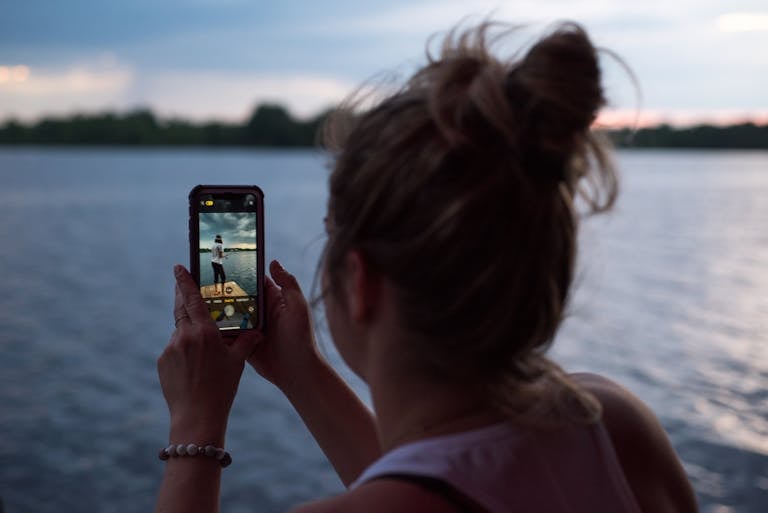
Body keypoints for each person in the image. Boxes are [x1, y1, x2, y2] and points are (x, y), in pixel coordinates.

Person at [156, 21, 698, 513]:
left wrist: (195, 426)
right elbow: (447, 477)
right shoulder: (615, 428)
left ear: (361, 281)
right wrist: (302, 374)